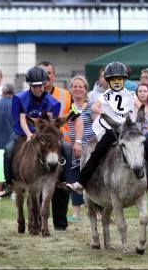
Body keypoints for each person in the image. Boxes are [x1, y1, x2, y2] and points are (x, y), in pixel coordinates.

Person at [65, 61, 148, 197]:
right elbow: (95, 106)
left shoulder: (130, 94)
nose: (117, 82)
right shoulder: (105, 95)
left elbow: (141, 106)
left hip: (130, 131)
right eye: (113, 80)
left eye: (120, 79)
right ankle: (81, 183)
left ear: (124, 80)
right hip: (112, 130)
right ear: (108, 81)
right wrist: (98, 109)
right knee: (97, 152)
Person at [0, 67, 61, 197]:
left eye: (40, 86)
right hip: (23, 132)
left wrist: (43, 135)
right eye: (34, 86)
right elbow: (22, 120)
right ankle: (9, 183)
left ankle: (63, 180)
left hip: (43, 135)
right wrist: (29, 135)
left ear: (45, 85)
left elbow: (50, 123)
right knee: (8, 150)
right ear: (30, 86)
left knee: (65, 148)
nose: (37, 89)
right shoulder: (21, 99)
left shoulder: (51, 102)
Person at [38, 61, 74, 231]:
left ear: (54, 76)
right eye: (42, 74)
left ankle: (65, 180)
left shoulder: (66, 94)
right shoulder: (31, 95)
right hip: (41, 140)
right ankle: (38, 221)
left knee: (67, 149)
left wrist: (78, 140)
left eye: (49, 74)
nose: (46, 78)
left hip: (60, 139)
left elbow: (74, 117)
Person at [66, 76, 92, 223]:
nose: (77, 89)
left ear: (85, 89)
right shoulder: (68, 106)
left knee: (91, 178)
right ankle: (76, 214)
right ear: (70, 89)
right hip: (73, 147)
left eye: (80, 86)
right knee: (73, 178)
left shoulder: (91, 106)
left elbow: (97, 123)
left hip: (90, 146)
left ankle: (96, 211)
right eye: (74, 86)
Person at [0, 84, 15, 199]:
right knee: (13, 167)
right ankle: (14, 193)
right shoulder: (16, 106)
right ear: (13, 93)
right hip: (13, 142)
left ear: (3, 92)